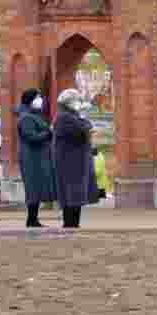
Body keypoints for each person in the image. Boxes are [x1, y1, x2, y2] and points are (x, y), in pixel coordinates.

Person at [53, 89, 98, 229]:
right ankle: (70, 223)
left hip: (74, 159)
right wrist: (86, 123)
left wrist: (85, 123)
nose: (78, 102)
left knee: (74, 194)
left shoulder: (71, 116)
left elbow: (85, 128)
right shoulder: (65, 117)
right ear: (69, 102)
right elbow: (83, 129)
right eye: (76, 100)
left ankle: (72, 223)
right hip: (70, 161)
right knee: (71, 193)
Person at [15, 88, 56, 228]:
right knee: (33, 187)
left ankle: (33, 219)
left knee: (36, 187)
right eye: (38, 97)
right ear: (30, 100)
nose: (41, 100)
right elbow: (31, 137)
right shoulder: (26, 117)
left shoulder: (33, 115)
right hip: (31, 158)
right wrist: (48, 133)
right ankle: (31, 219)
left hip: (36, 156)